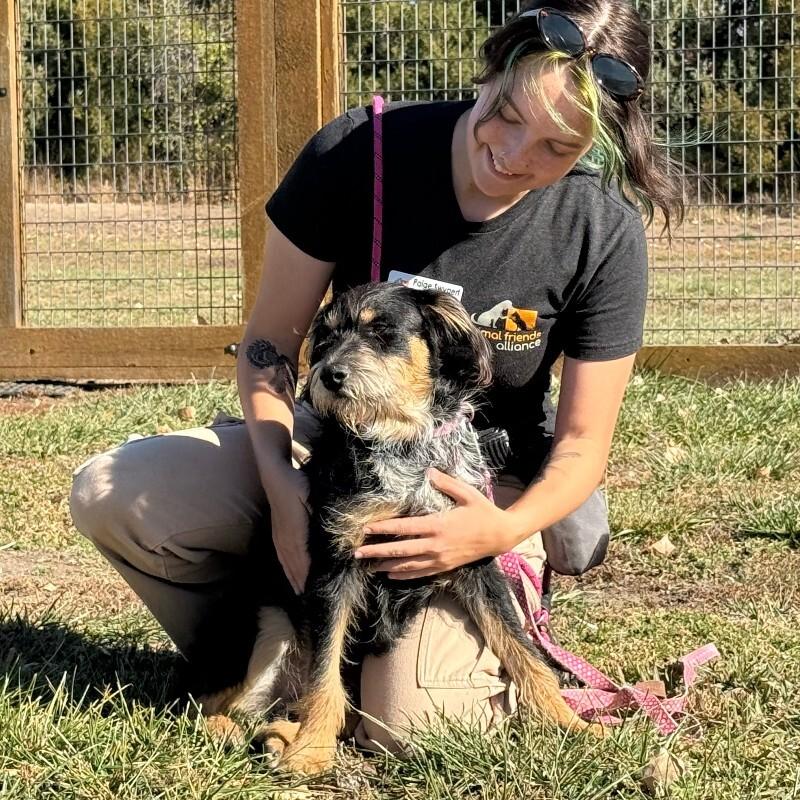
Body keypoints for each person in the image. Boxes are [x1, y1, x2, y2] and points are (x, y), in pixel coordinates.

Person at [70, 0, 684, 753]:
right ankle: (272, 657)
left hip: (479, 480)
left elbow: (584, 442)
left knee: (411, 728)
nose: (514, 154)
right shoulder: (359, 152)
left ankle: (365, 668)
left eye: (558, 146)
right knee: (114, 494)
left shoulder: (599, 227)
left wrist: (499, 530)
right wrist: (283, 491)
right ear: (489, 71)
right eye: (506, 113)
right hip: (330, 442)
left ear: (599, 143)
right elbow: (269, 344)